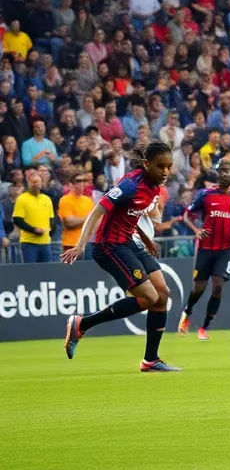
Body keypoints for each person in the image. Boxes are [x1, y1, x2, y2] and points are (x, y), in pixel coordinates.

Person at [61, 142, 181, 372]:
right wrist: (80, 245)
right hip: (109, 246)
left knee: (163, 294)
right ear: (146, 164)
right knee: (149, 297)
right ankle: (82, 324)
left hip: (129, 242)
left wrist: (146, 239)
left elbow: (131, 215)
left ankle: (151, 360)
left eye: (169, 166)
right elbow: (97, 210)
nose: (166, 171)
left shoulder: (154, 186)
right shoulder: (129, 185)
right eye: (160, 166)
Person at [179, 162, 230, 340]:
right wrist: (197, 230)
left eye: (228, 171)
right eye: (222, 171)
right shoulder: (206, 195)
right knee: (199, 288)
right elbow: (187, 215)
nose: (225, 174)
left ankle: (204, 327)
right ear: (217, 175)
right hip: (206, 248)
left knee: (217, 286)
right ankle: (187, 312)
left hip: (225, 249)